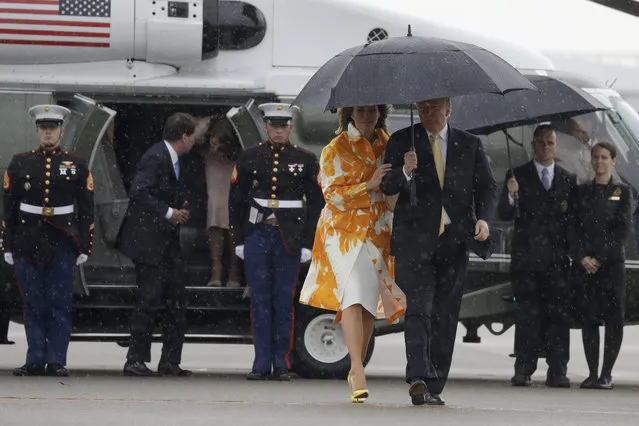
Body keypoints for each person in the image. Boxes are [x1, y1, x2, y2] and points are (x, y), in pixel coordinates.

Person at [380, 97, 497, 406]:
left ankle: (434, 384)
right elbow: (388, 186)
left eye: (434, 108)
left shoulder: (469, 144)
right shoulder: (403, 140)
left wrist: (484, 218)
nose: (428, 113)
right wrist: (405, 171)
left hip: (454, 242)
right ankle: (418, 375)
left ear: (449, 109)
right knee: (418, 309)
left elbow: (486, 187)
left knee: (445, 314)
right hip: (414, 242)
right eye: (423, 108)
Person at [299, 105, 406, 403]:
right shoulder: (335, 148)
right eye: (361, 110)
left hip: (378, 229)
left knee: (369, 305)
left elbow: (394, 191)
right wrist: (366, 186)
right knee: (353, 296)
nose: (367, 116)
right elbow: (330, 194)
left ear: (381, 113)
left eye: (373, 110)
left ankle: (355, 365)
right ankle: (357, 369)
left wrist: (406, 171)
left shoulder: (390, 144)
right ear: (349, 113)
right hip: (342, 231)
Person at [229, 103, 324, 381]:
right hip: (258, 234)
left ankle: (281, 363)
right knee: (259, 300)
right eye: (274, 125)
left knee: (284, 300)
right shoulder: (249, 157)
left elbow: (317, 205)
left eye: (283, 126)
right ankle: (260, 363)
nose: (278, 130)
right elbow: (235, 201)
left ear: (290, 127)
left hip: (289, 238)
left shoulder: (305, 159)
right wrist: (238, 239)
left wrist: (309, 243)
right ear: (266, 126)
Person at [2, 104, 95, 376]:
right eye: (43, 128)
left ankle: (56, 360)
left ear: (61, 131)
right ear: (37, 131)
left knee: (59, 304)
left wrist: (85, 244)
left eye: (52, 128)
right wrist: (7, 243)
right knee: (33, 303)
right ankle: (34, 359)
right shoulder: (20, 162)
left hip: (61, 241)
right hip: (27, 240)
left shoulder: (76, 164)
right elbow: (8, 206)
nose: (47, 133)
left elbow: (86, 207)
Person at [116, 112, 197, 377]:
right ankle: (135, 360)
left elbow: (161, 192)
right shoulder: (155, 157)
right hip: (148, 243)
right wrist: (168, 213)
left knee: (176, 301)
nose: (195, 141)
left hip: (165, 242)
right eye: (193, 136)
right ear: (184, 137)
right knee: (149, 300)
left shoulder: (172, 158)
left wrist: (177, 208)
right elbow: (139, 191)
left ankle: (170, 361)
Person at [498, 124, 577, 388]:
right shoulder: (517, 175)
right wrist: (511, 195)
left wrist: (572, 254)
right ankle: (524, 367)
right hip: (527, 260)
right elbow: (504, 214)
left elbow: (572, 222)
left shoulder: (567, 179)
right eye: (541, 142)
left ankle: (557, 369)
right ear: (533, 145)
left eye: (550, 143)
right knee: (527, 315)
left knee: (557, 317)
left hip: (556, 261)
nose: (546, 147)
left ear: (556, 146)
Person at [574, 141, 632, 390]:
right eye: (596, 157)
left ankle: (606, 373)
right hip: (587, 265)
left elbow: (622, 229)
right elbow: (573, 227)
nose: (599, 162)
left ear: (613, 161)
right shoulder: (582, 191)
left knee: (613, 320)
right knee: (588, 319)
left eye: (605, 157)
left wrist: (599, 257)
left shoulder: (623, 191)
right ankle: (591, 372)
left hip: (611, 265)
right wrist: (582, 256)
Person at [200, 116, 242, 287]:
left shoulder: (238, 153)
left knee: (232, 228)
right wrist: (212, 120)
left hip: (231, 191)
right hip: (214, 194)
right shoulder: (206, 152)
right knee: (215, 223)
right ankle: (216, 269)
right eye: (212, 137)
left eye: (217, 137)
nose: (213, 141)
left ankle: (234, 272)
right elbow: (197, 131)